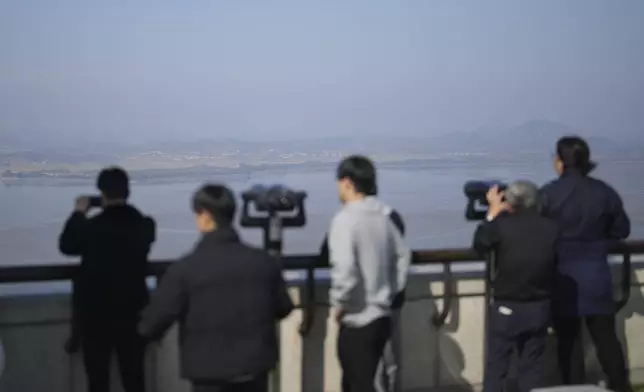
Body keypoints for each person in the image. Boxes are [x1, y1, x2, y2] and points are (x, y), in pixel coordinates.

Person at [138, 184, 294, 392]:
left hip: (208, 376)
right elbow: (283, 307)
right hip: (254, 372)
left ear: (204, 215)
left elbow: (153, 322)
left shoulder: (185, 269)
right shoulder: (263, 262)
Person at [540, 136, 632, 392]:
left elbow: (537, 232)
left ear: (560, 162)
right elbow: (622, 229)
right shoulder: (604, 192)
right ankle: (620, 387)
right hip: (596, 277)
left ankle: (572, 388)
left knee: (567, 342)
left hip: (561, 278)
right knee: (606, 340)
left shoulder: (547, 194)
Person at [58, 166, 155, 392]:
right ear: (128, 191)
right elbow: (141, 231)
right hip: (134, 313)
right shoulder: (144, 225)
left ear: (101, 193)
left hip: (95, 315)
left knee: (97, 380)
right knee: (134, 379)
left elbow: (67, 245)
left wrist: (79, 212)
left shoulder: (91, 228)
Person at [328, 155, 411, 392]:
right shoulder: (383, 217)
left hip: (357, 320)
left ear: (347, 182)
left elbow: (345, 269)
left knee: (356, 383)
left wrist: (340, 303)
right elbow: (403, 257)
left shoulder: (345, 219)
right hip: (382, 316)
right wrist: (390, 291)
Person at [473, 181, 559, 392]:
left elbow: (480, 244)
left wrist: (492, 213)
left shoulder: (501, 227)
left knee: (497, 366)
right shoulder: (550, 228)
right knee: (532, 368)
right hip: (539, 306)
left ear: (509, 202)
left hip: (507, 306)